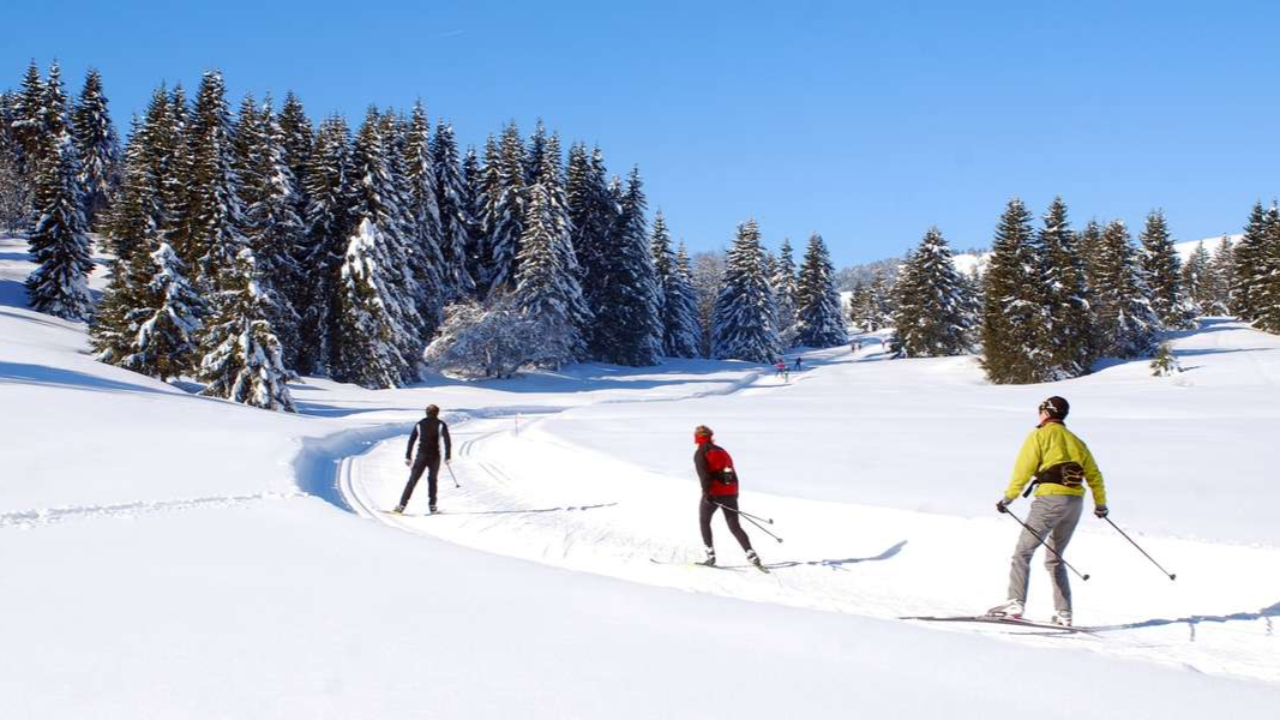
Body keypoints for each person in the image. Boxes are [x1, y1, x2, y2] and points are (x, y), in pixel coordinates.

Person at [988, 396, 1107, 627]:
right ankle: (1064, 613)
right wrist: (1100, 504)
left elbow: (1024, 469)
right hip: (1075, 503)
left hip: (1050, 500)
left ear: (1045, 412)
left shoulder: (1039, 435)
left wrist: (1008, 498)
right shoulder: (1077, 442)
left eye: (1040, 410)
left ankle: (1015, 602)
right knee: (1055, 559)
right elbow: (1094, 475)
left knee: (1023, 553)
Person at [693, 425, 762, 568]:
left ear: (697, 437)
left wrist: (707, 494)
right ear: (711, 436)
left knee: (704, 521)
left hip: (713, 494)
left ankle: (710, 555)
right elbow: (732, 472)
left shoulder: (700, 453)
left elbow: (704, 477)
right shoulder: (722, 451)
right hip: (730, 492)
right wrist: (735, 492)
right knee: (735, 526)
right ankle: (750, 553)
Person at [393, 404, 453, 514]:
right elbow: (447, 441)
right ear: (437, 413)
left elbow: (411, 440)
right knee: (432, 480)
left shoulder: (419, 424)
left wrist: (408, 456)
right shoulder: (441, 424)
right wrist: (448, 456)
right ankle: (432, 506)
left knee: (412, 480)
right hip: (435, 457)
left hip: (422, 456)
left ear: (426, 412)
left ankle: (401, 505)